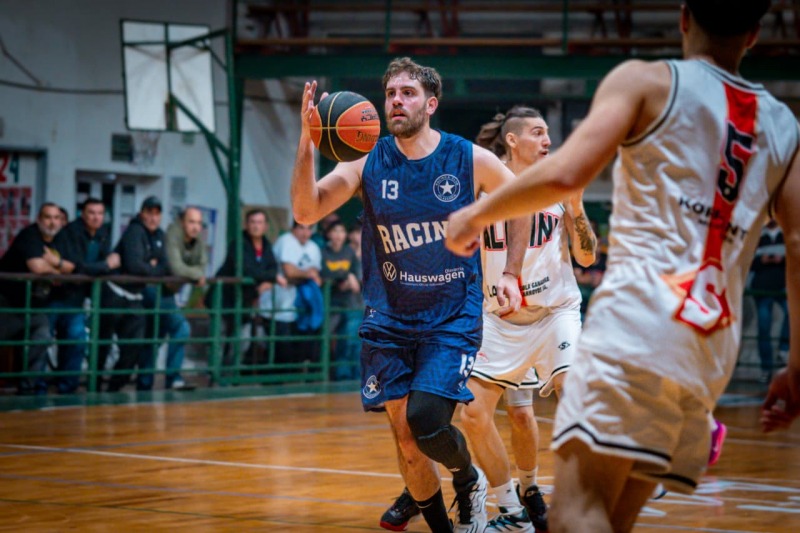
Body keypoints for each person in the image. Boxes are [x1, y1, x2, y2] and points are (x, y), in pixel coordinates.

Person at [444, 2, 800, 531]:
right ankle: (685, 430)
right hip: (710, 345)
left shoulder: (645, 81)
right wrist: (796, 367)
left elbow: (565, 174)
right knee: (613, 517)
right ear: (754, 34)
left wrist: (473, 216)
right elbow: (796, 239)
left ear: (684, 17)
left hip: (637, 323)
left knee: (578, 514)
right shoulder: (783, 123)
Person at [291, 57, 526, 532]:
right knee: (404, 438)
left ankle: (467, 476)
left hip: (450, 315)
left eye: (409, 93)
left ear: (430, 103)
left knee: (426, 420)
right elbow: (306, 210)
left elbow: (523, 202)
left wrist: (512, 272)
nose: (397, 100)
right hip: (389, 317)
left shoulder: (468, 158)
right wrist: (307, 140)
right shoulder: (367, 162)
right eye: (391, 93)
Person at [381, 106, 598, 532]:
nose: (548, 140)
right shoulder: (481, 189)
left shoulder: (558, 185)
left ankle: (596, 484)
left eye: (548, 133)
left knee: (568, 390)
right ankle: (511, 510)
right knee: (474, 415)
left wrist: (575, 209)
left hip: (553, 313)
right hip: (497, 317)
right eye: (539, 132)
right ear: (513, 141)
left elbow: (587, 257)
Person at [50, 198, 119, 393]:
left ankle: (67, 389)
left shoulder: (103, 234)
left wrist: (104, 267)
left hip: (77, 300)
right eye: (91, 212)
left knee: (77, 340)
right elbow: (77, 267)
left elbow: (110, 268)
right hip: (56, 296)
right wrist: (105, 265)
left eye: (100, 213)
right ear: (83, 214)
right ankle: (33, 389)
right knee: (41, 340)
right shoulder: (70, 232)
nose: (96, 217)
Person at [0, 203, 68, 394]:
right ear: (39, 219)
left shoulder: (59, 240)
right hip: (8, 302)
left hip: (34, 305)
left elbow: (73, 265)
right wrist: (58, 270)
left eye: (56, 218)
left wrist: (58, 265)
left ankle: (28, 387)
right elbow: (37, 267)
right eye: (48, 217)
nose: (52, 222)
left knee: (42, 338)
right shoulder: (29, 235)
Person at [210, 208, 283, 371]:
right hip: (225, 299)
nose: (256, 226)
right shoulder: (238, 243)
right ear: (246, 224)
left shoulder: (266, 245)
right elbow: (246, 269)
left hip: (246, 301)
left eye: (260, 222)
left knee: (242, 339)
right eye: (252, 222)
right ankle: (215, 374)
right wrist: (268, 279)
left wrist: (268, 278)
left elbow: (273, 268)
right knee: (221, 338)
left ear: (265, 226)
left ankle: (231, 371)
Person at [270, 222, 323, 369]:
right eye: (301, 228)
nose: (305, 232)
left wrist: (304, 274)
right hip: (278, 301)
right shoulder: (286, 240)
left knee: (302, 341)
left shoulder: (313, 247)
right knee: (281, 344)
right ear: (293, 228)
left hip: (298, 303)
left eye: (308, 228)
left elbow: (315, 272)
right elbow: (289, 271)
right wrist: (307, 274)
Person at [321, 220, 361, 380]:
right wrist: (345, 277)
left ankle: (351, 375)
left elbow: (357, 276)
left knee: (351, 340)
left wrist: (351, 278)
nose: (338, 235)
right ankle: (335, 374)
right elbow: (323, 273)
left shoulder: (349, 253)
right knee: (329, 340)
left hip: (350, 303)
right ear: (329, 234)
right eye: (335, 231)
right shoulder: (323, 251)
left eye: (341, 231)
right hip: (331, 303)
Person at [750, 219, 789, 383]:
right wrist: (762, 261)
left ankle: (784, 349)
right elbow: (749, 263)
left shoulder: (785, 234)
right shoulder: (757, 236)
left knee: (793, 315)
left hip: (781, 287)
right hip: (762, 288)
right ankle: (766, 369)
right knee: (763, 329)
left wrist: (782, 260)